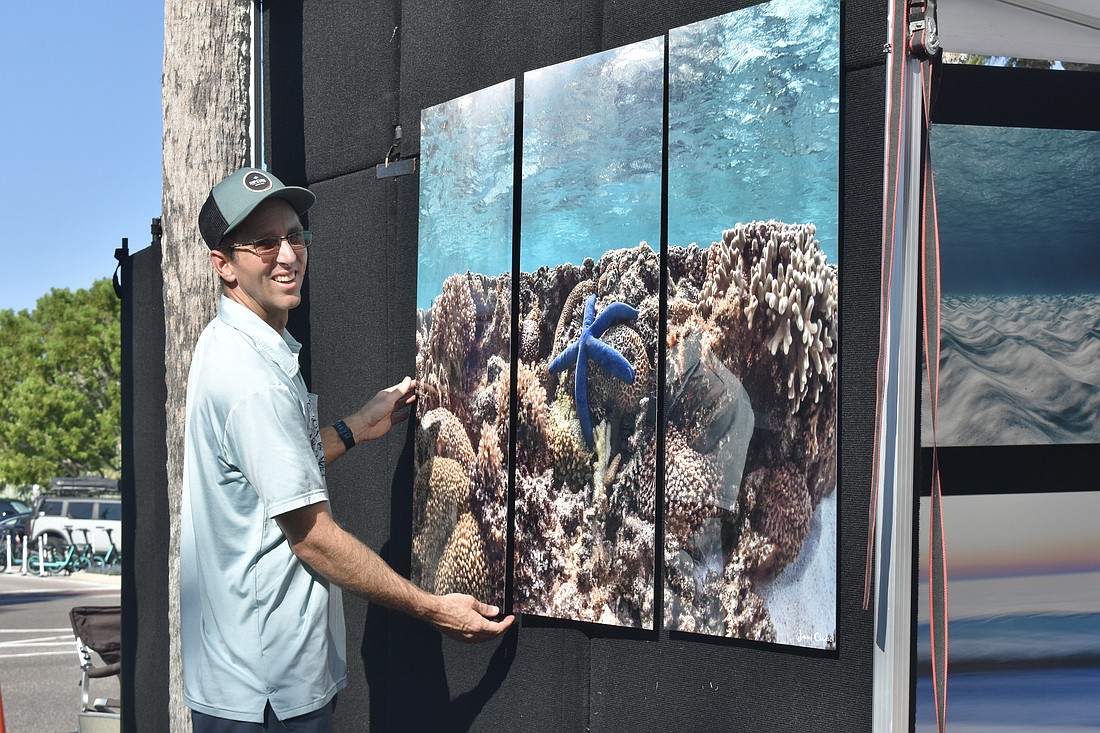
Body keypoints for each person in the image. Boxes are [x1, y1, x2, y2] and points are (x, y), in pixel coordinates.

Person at [180, 167, 513, 731]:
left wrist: (356, 426)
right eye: (265, 243)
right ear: (224, 264)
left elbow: (267, 479)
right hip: (269, 693)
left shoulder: (227, 343)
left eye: (295, 235)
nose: (289, 255)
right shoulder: (252, 380)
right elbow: (313, 539)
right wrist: (435, 610)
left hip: (243, 679)